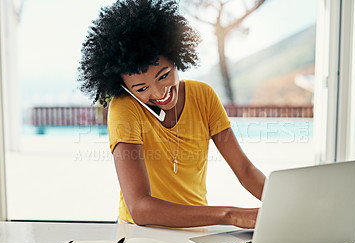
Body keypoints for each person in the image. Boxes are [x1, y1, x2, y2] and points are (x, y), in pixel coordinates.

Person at [78, 0, 266, 228]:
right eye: (141, 89)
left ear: (176, 57)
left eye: (164, 75)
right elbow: (140, 208)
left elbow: (245, 170)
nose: (159, 93)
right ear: (125, 88)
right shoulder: (124, 108)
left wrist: (281, 204)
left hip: (196, 230)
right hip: (140, 233)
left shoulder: (203, 96)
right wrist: (229, 215)